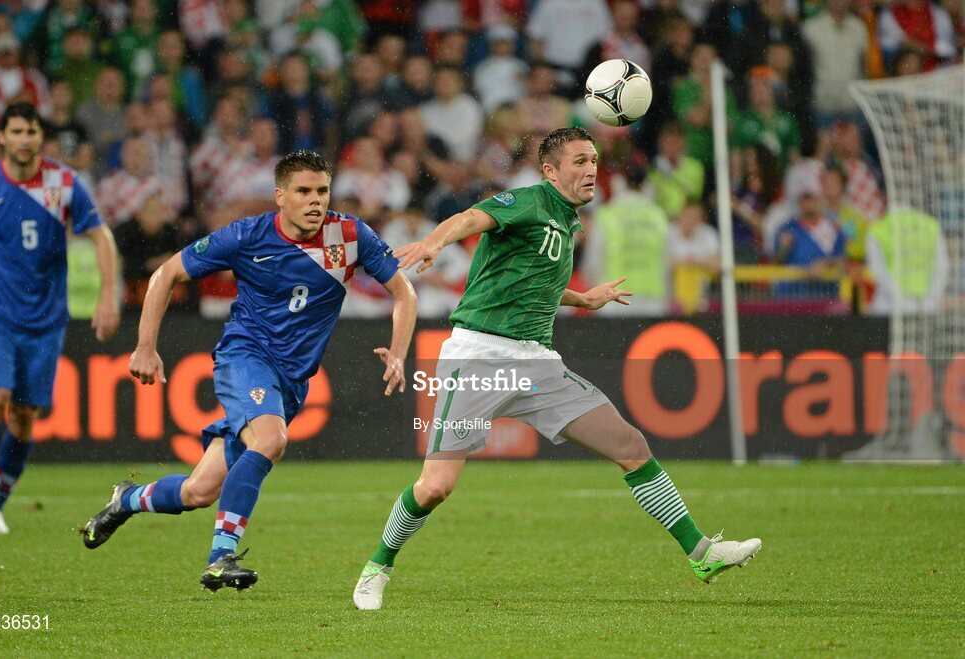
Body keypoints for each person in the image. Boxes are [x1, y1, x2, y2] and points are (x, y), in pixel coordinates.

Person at [351, 127, 761, 610]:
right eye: (579, 161)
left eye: (593, 160)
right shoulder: (528, 201)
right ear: (551, 170)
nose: (590, 170)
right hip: (479, 357)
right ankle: (377, 566)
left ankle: (702, 553)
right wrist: (434, 242)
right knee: (436, 486)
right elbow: (467, 218)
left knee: (630, 444)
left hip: (537, 363)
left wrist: (582, 298)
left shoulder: (569, 221)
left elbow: (531, 278)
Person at [81, 150, 417, 592]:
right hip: (245, 358)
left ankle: (126, 500)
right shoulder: (246, 236)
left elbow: (403, 292)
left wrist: (397, 352)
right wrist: (146, 347)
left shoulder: (350, 235)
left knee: (198, 492)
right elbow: (165, 275)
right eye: (303, 191)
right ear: (280, 196)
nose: (315, 201)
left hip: (291, 382)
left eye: (322, 191)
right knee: (272, 440)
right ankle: (221, 556)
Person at [0, 102, 120, 534]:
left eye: (33, 132)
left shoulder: (63, 183)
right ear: (2, 137)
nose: (26, 139)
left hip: (46, 319)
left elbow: (101, 237)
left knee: (25, 415)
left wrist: (107, 296)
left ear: (41, 137)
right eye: (18, 131)